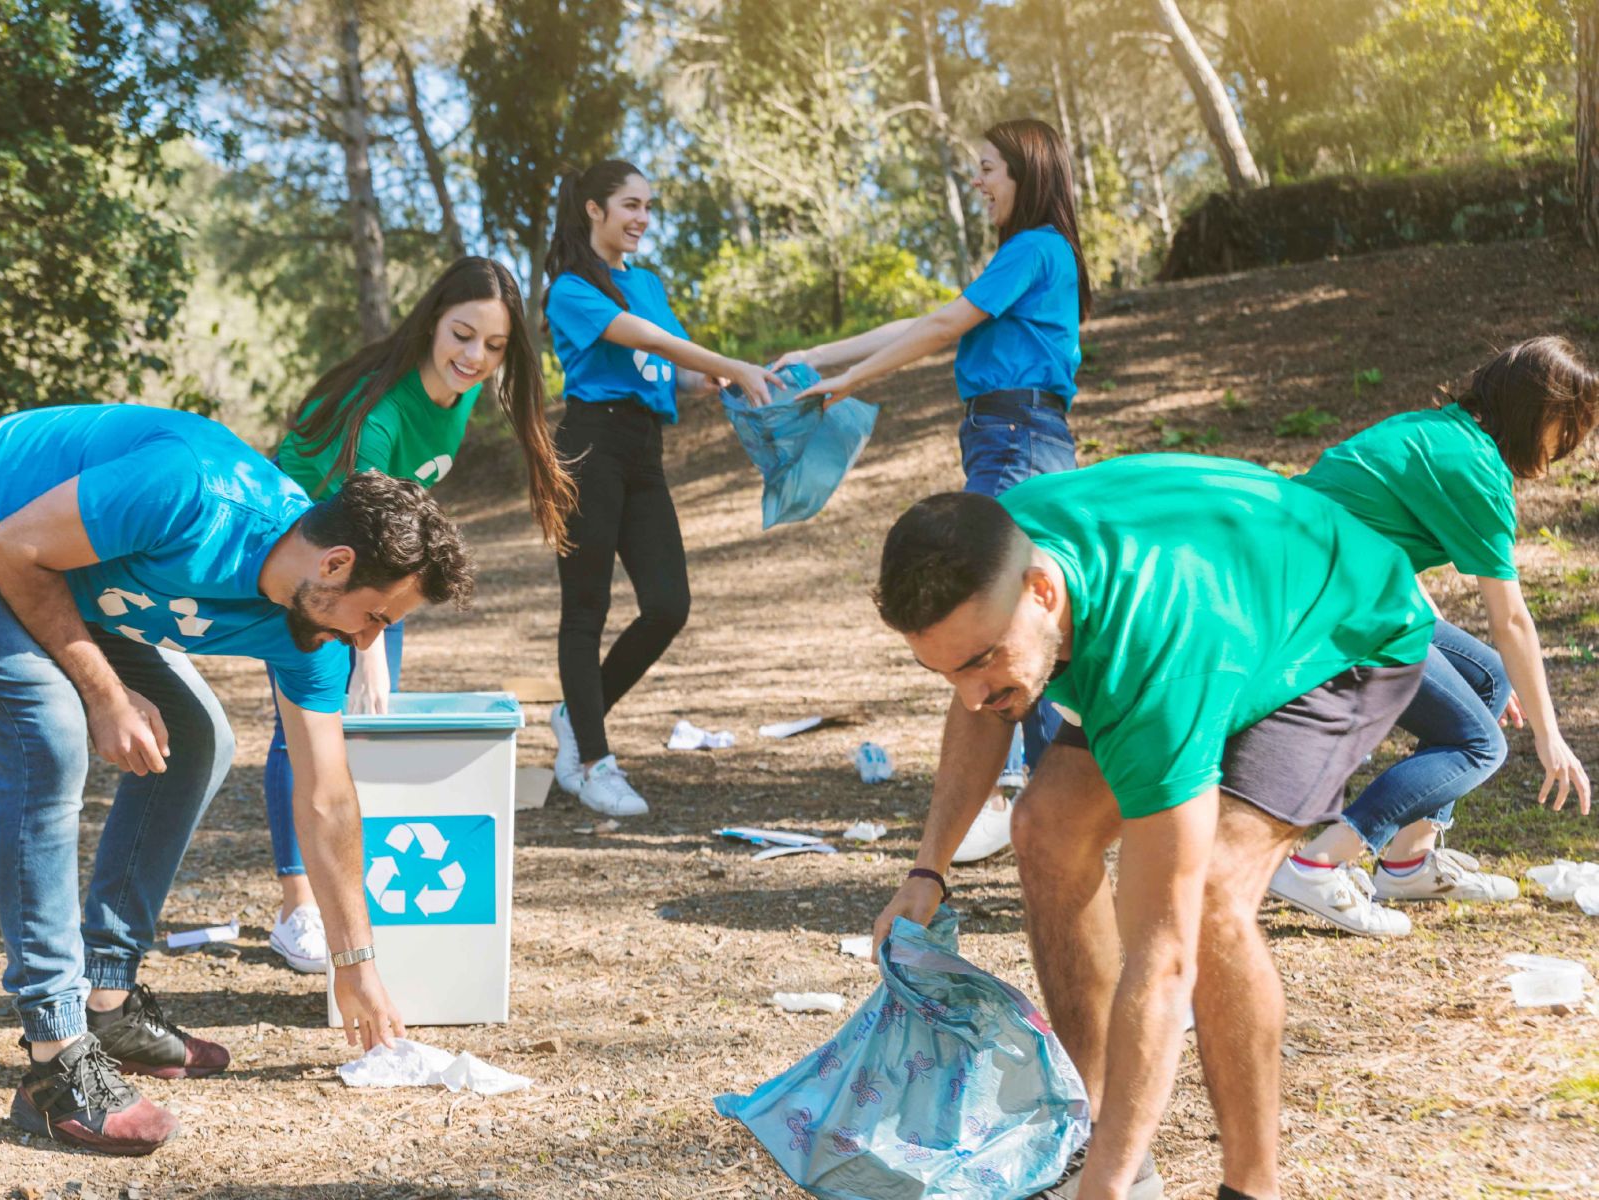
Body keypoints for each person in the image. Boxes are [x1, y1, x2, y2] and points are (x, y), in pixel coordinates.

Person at [0, 404, 474, 1156]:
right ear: (335, 564)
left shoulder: (316, 631)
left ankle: (106, 996)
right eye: (378, 616)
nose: (372, 638)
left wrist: (356, 964)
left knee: (198, 741)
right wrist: (105, 694)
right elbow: (13, 548)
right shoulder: (191, 491)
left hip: (59, 575)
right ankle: (55, 1061)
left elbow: (326, 797)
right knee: (50, 744)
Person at [867, 455, 1433, 1200]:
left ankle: (1247, 1186)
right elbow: (979, 701)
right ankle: (1103, 1139)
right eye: (947, 673)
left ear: (1043, 591)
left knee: (1206, 901)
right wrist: (926, 871)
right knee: (1045, 829)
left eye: (981, 661)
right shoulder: (998, 553)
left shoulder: (1157, 665)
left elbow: (1161, 960)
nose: (971, 697)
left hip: (1337, 633)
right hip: (1223, 604)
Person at [777, 117, 1090, 864]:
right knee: (1016, 612)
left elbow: (947, 324)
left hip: (1015, 440)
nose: (977, 182)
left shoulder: (1035, 248)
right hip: (1006, 437)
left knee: (1004, 614)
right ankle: (1037, 793)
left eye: (988, 168)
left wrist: (850, 381)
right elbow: (928, 319)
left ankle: (1032, 794)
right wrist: (820, 356)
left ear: (1027, 173)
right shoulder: (1027, 257)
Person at [262, 256, 575, 973]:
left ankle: (355, 887)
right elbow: (344, 530)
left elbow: (399, 511)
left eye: (494, 347)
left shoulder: (460, 393)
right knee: (307, 721)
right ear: (433, 318)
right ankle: (296, 908)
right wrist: (363, 637)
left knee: (367, 719)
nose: (475, 358)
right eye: (462, 335)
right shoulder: (380, 413)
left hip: (372, 558)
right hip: (305, 555)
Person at [1268, 337, 1597, 936]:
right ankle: (1317, 863)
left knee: (1488, 677)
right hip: (1318, 597)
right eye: (1567, 427)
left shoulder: (1441, 432)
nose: (1567, 447)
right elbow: (1513, 619)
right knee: (1482, 746)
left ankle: (1409, 861)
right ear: (1538, 413)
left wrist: (1501, 675)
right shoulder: (1474, 470)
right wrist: (1551, 738)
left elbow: (1385, 543)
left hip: (1318, 575)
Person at [542, 158, 782, 818]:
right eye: (630, 205)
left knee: (668, 604)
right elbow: (641, 339)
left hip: (645, 450)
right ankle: (593, 761)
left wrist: (702, 382)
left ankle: (575, 715)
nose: (643, 218)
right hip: (590, 445)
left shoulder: (646, 282)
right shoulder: (569, 287)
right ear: (594, 209)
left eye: (648, 206)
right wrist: (724, 360)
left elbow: (661, 364)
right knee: (585, 608)